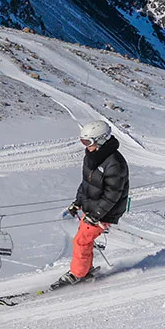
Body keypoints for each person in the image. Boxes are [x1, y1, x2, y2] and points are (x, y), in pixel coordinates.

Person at [57, 120, 130, 287]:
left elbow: (113, 195)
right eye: (83, 142)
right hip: (93, 209)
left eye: (88, 142)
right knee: (84, 239)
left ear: (102, 140)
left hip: (106, 211)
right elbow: (87, 184)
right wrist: (77, 203)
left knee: (81, 241)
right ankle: (85, 269)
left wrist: (96, 215)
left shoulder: (115, 163)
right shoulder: (92, 158)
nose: (86, 146)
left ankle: (77, 274)